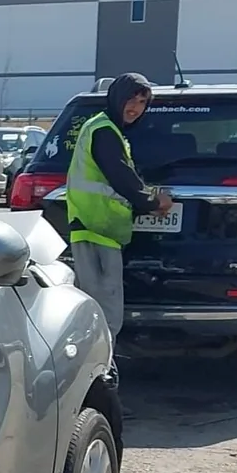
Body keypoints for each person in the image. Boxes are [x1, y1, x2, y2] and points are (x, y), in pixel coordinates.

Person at [66, 72, 173, 338]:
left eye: (142, 102)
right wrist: (152, 201)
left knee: (99, 310)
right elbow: (121, 177)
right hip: (96, 230)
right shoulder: (104, 131)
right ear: (116, 98)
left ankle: (98, 359)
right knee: (104, 314)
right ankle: (100, 362)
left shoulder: (108, 129)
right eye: (131, 99)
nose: (136, 108)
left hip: (101, 230)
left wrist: (146, 201)